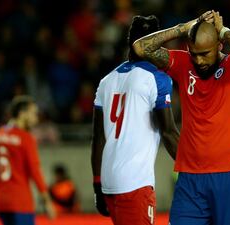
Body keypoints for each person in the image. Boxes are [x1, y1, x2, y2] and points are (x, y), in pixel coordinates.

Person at [134, 10, 230, 225]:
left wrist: (223, 31)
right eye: (194, 53)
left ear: (219, 45)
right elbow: (140, 48)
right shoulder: (183, 64)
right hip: (190, 179)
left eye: (205, 53)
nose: (199, 60)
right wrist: (182, 28)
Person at [91, 15, 180, 225]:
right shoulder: (158, 78)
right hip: (135, 182)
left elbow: (98, 138)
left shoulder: (106, 81)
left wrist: (97, 185)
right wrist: (196, 169)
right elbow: (168, 132)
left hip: (108, 181)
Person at [0, 96, 56, 225]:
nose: (36, 118)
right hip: (20, 202)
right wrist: (47, 201)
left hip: (1, 202)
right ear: (22, 114)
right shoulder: (25, 138)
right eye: (33, 113)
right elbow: (35, 171)